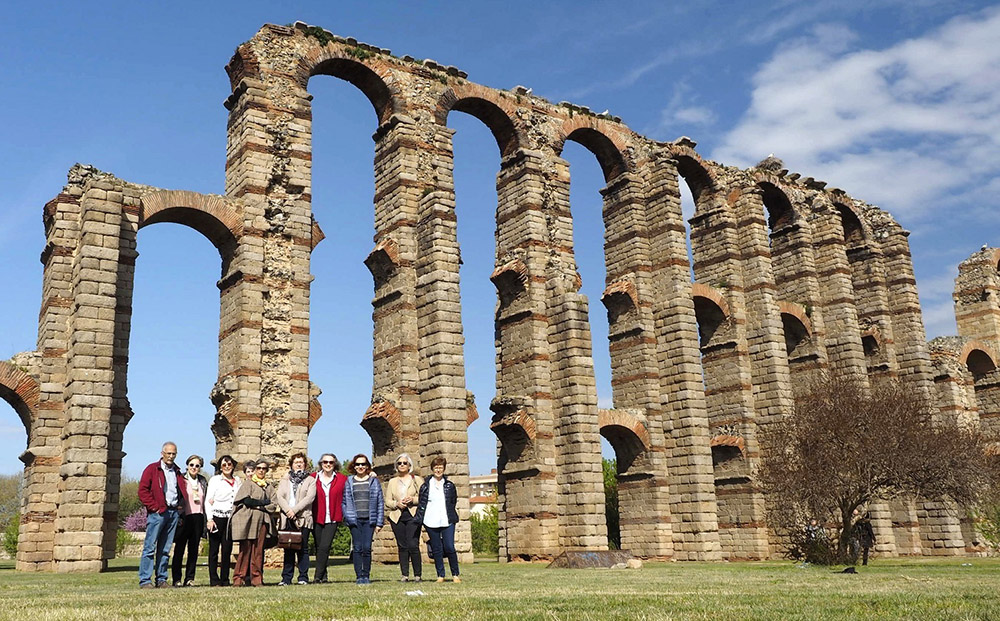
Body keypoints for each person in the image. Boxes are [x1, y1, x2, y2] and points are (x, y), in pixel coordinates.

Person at [137, 441, 188, 588]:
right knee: (149, 548)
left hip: (173, 512)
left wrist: (180, 506)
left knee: (165, 549)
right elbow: (143, 491)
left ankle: (161, 579)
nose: (171, 456)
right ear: (162, 453)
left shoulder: (177, 471)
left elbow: (181, 490)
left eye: (173, 453)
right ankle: (145, 580)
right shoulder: (152, 469)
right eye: (168, 453)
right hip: (158, 513)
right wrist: (155, 507)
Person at [230, 459, 277, 587]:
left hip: (262, 521)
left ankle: (256, 578)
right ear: (255, 470)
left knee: (258, 551)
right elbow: (245, 501)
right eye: (259, 468)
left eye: (264, 468)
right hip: (248, 521)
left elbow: (273, 505)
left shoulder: (268, 487)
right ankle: (239, 578)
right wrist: (262, 503)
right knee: (245, 550)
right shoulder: (248, 484)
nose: (261, 470)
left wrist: (259, 507)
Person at [414, 456, 460, 583]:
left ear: (444, 469)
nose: (438, 470)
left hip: (447, 519)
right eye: (436, 467)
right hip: (431, 519)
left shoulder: (450, 485)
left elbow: (453, 501)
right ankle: (440, 575)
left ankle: (455, 574)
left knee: (449, 547)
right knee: (436, 549)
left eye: (440, 467)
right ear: (432, 469)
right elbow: (422, 502)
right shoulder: (425, 486)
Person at [342, 453, 384, 585]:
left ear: (367, 466)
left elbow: (380, 501)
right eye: (358, 464)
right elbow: (344, 501)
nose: (360, 466)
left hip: (369, 520)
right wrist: (348, 517)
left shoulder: (373, 481)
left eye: (363, 464)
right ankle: (359, 576)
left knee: (367, 547)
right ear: (354, 466)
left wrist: (379, 522)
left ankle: (366, 575)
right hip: (355, 520)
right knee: (357, 548)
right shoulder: (349, 481)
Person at [276, 452, 317, 586]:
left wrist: (295, 510)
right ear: (292, 465)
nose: (299, 464)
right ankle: (286, 578)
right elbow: (280, 496)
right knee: (288, 548)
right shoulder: (285, 479)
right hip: (287, 517)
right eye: (296, 462)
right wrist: (288, 510)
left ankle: (303, 577)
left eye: (301, 462)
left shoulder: (310, 480)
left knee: (302, 548)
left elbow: (309, 498)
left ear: (305, 464)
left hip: (303, 518)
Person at [384, 452, 423, 582]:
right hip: (397, 516)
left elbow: (424, 497)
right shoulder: (392, 481)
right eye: (399, 463)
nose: (401, 465)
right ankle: (404, 575)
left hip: (412, 514)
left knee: (413, 544)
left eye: (404, 463)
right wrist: (397, 504)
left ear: (409, 465)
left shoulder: (416, 479)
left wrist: (412, 499)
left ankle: (417, 574)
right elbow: (387, 501)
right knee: (402, 545)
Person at [171, 454, 208, 586]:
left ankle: (190, 578)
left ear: (200, 468)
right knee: (179, 549)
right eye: (191, 465)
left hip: (198, 517)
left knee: (193, 550)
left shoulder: (202, 481)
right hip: (184, 517)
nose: (194, 467)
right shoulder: (181, 479)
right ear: (187, 465)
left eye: (197, 465)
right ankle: (177, 579)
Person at [312, 453, 347, 584]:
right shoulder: (313, 478)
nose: (328, 464)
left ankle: (317, 576)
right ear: (321, 463)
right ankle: (324, 576)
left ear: (335, 464)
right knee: (319, 546)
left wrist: (371, 474)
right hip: (317, 516)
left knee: (325, 547)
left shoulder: (342, 479)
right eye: (325, 462)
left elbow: (354, 482)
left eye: (331, 462)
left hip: (333, 517)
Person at [205, 454, 238, 586]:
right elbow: (208, 500)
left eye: (229, 464)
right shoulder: (215, 480)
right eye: (224, 465)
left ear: (233, 465)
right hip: (217, 517)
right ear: (220, 467)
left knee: (227, 549)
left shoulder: (237, 481)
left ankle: (225, 579)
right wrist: (209, 519)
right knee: (214, 550)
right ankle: (214, 579)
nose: (227, 467)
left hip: (230, 518)